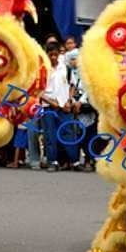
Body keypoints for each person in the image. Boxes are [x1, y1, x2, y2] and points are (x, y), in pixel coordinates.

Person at [40, 42, 79, 171]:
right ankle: (53, 161)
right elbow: (38, 91)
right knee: (50, 135)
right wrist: (51, 102)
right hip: (48, 106)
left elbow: (72, 84)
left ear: (59, 54)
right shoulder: (42, 70)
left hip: (64, 106)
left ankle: (74, 161)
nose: (53, 58)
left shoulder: (65, 68)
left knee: (68, 132)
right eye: (50, 55)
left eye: (55, 55)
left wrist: (69, 100)